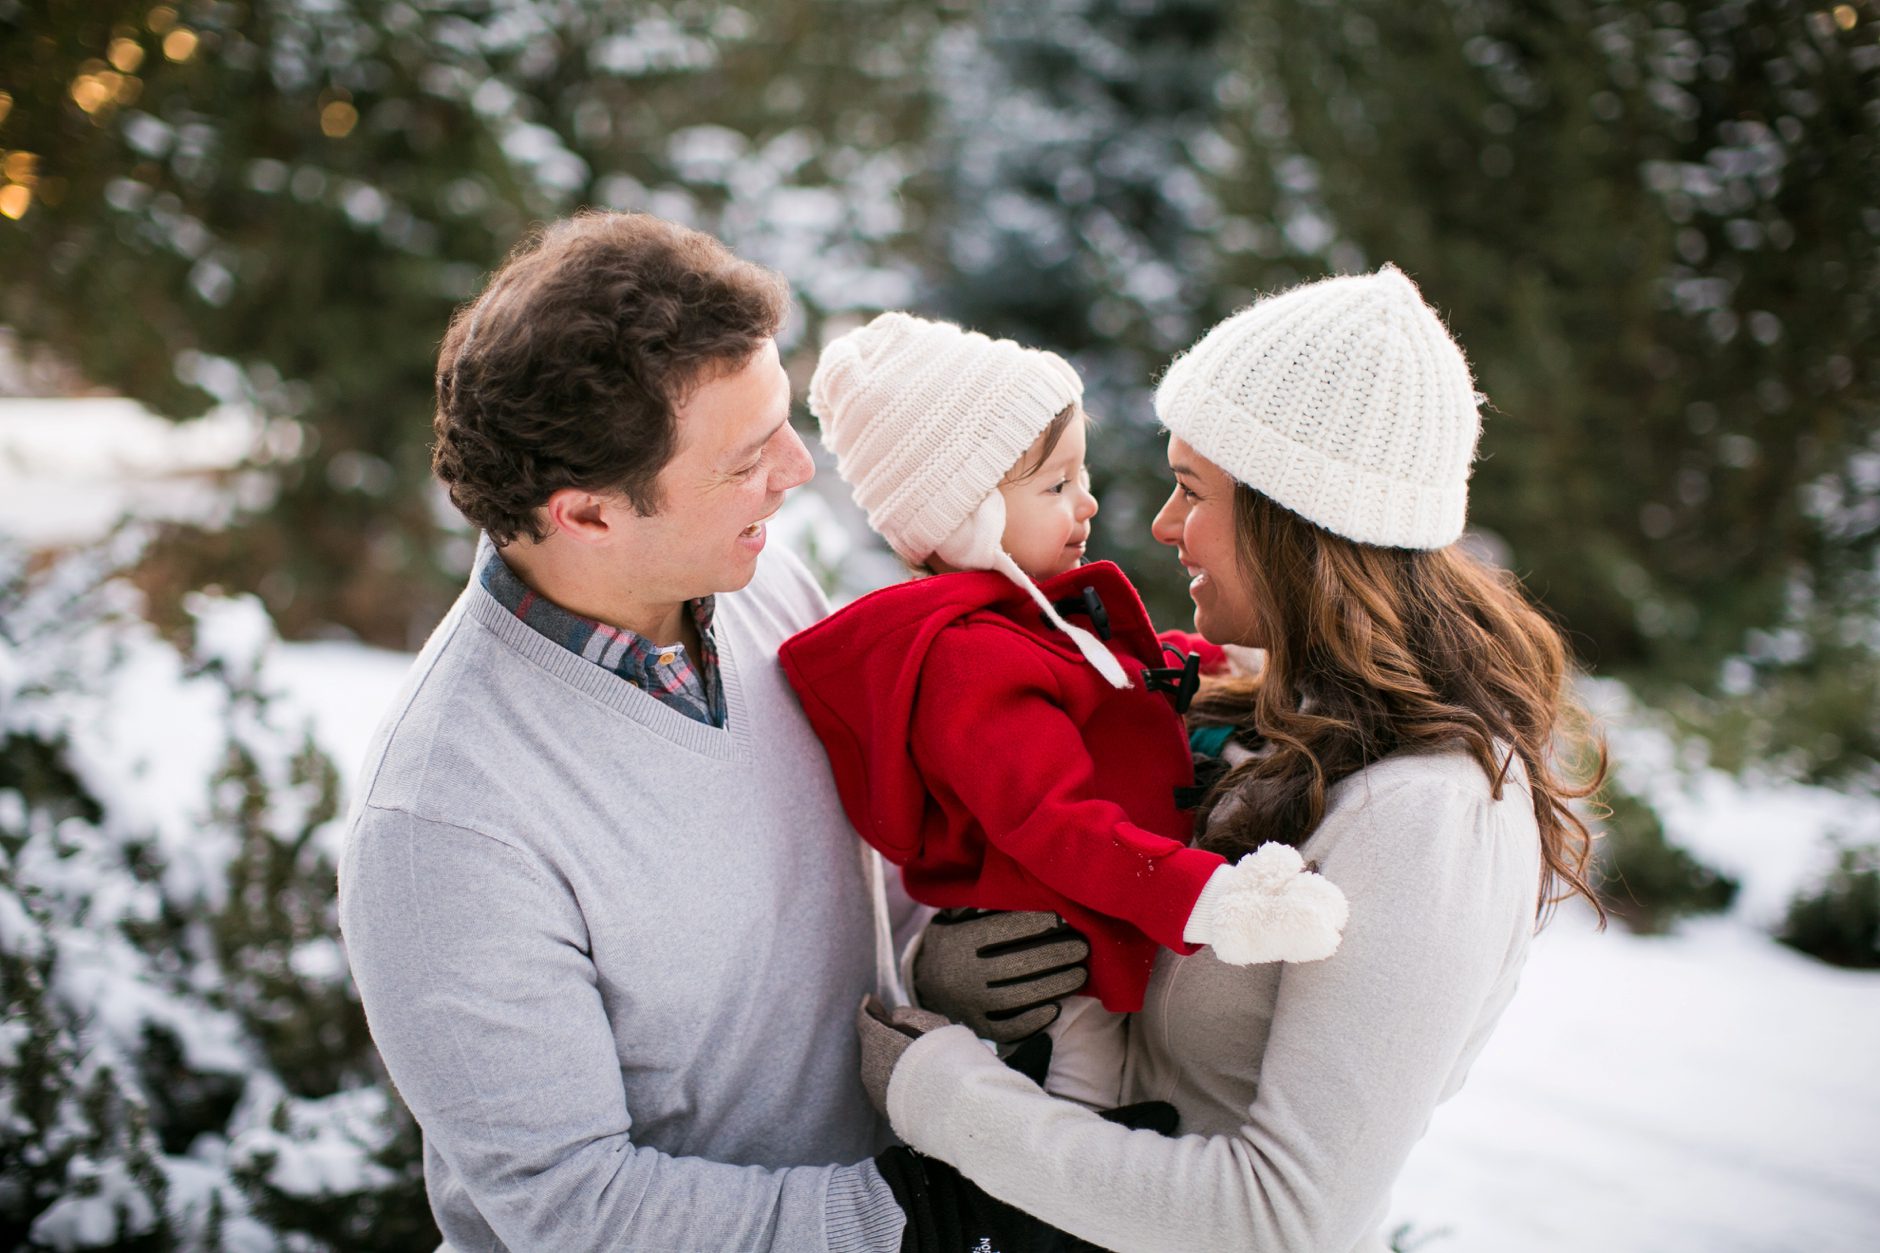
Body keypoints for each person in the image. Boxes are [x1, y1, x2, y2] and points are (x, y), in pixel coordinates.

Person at [336, 210, 1088, 1253]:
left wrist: (932, 959)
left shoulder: (749, 575)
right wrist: (912, 1216)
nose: (797, 470)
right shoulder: (444, 820)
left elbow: (832, 855)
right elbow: (569, 1205)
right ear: (587, 513)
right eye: (745, 458)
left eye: (783, 418)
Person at [856, 265, 1607, 1252]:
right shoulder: (1249, 718)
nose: (1163, 526)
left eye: (1191, 490)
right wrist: (960, 970)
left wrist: (939, 1092)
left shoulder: (1431, 813)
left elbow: (1281, 1218)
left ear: (1294, 521)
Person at [779, 312, 1347, 1106]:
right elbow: (1052, 818)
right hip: (1048, 982)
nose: (1087, 504)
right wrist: (1210, 896)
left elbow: (1116, 686)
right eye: (1055, 486)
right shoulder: (968, 659)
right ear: (965, 513)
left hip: (1092, 945)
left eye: (1078, 477)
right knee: (1061, 1157)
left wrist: (1216, 662)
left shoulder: (1027, 621)